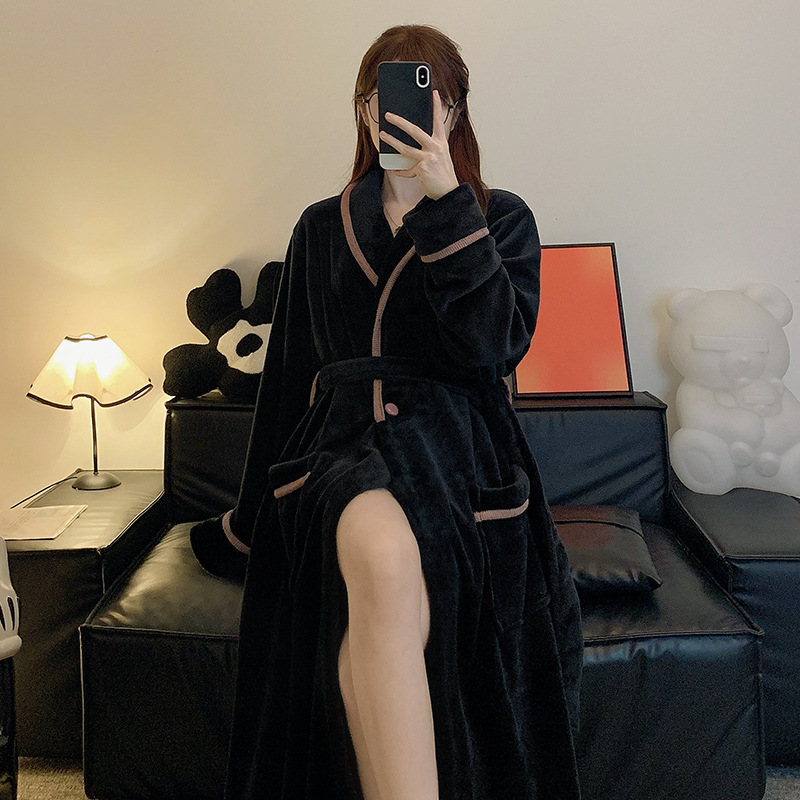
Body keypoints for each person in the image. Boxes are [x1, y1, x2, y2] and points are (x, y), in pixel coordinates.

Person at [191, 23, 583, 800]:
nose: (399, 110)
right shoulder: (320, 226)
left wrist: (447, 206)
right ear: (364, 110)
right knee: (383, 555)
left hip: (459, 451)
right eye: (381, 95)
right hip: (344, 444)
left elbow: (496, 348)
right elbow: (287, 380)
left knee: (403, 579)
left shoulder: (499, 217)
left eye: (425, 93)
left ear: (453, 109)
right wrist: (248, 522)